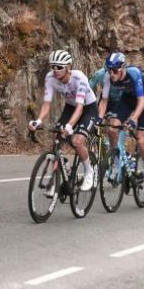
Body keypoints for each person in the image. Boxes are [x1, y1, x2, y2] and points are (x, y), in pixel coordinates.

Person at [28, 50, 98, 192]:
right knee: (57, 137)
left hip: (88, 108)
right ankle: (62, 168)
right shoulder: (50, 78)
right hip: (70, 107)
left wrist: (70, 126)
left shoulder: (79, 78)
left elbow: (80, 107)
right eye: (53, 66)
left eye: (59, 67)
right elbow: (47, 104)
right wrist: (39, 120)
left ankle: (89, 171)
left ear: (68, 67)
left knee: (77, 141)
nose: (55, 70)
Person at [98, 52, 144, 194]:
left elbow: (141, 102)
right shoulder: (108, 77)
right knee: (112, 128)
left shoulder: (133, 74)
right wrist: (99, 118)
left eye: (115, 70)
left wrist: (134, 119)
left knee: (141, 139)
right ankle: (116, 160)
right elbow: (104, 101)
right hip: (128, 99)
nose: (112, 74)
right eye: (109, 70)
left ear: (122, 68)